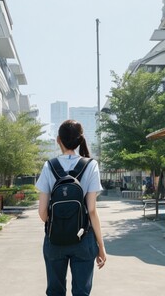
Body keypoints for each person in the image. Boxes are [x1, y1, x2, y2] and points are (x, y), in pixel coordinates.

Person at [36, 119, 106, 296]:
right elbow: (91, 211)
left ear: (58, 140)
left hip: (54, 240)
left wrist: (59, 223)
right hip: (83, 239)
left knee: (55, 291)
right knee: (82, 292)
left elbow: (42, 212)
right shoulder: (91, 165)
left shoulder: (49, 166)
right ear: (80, 140)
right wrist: (101, 246)